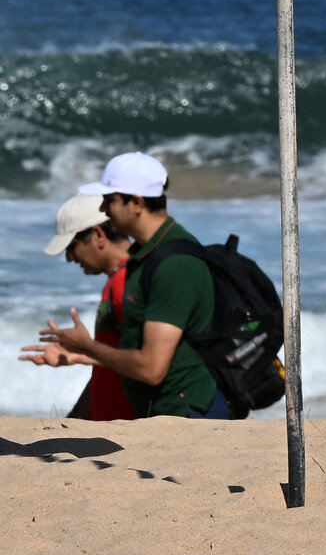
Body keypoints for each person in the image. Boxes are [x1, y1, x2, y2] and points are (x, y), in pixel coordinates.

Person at [31, 151, 225, 419]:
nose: (102, 209)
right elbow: (132, 357)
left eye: (109, 200)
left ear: (136, 202)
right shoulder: (145, 259)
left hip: (187, 414)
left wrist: (86, 347)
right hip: (166, 414)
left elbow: (150, 368)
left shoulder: (172, 264)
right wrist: (82, 355)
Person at [18, 196, 137, 420]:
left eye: (72, 246)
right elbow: (113, 365)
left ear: (98, 236)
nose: (69, 257)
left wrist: (86, 349)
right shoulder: (119, 279)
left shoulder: (128, 281)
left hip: (130, 433)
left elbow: (148, 363)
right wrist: (83, 354)